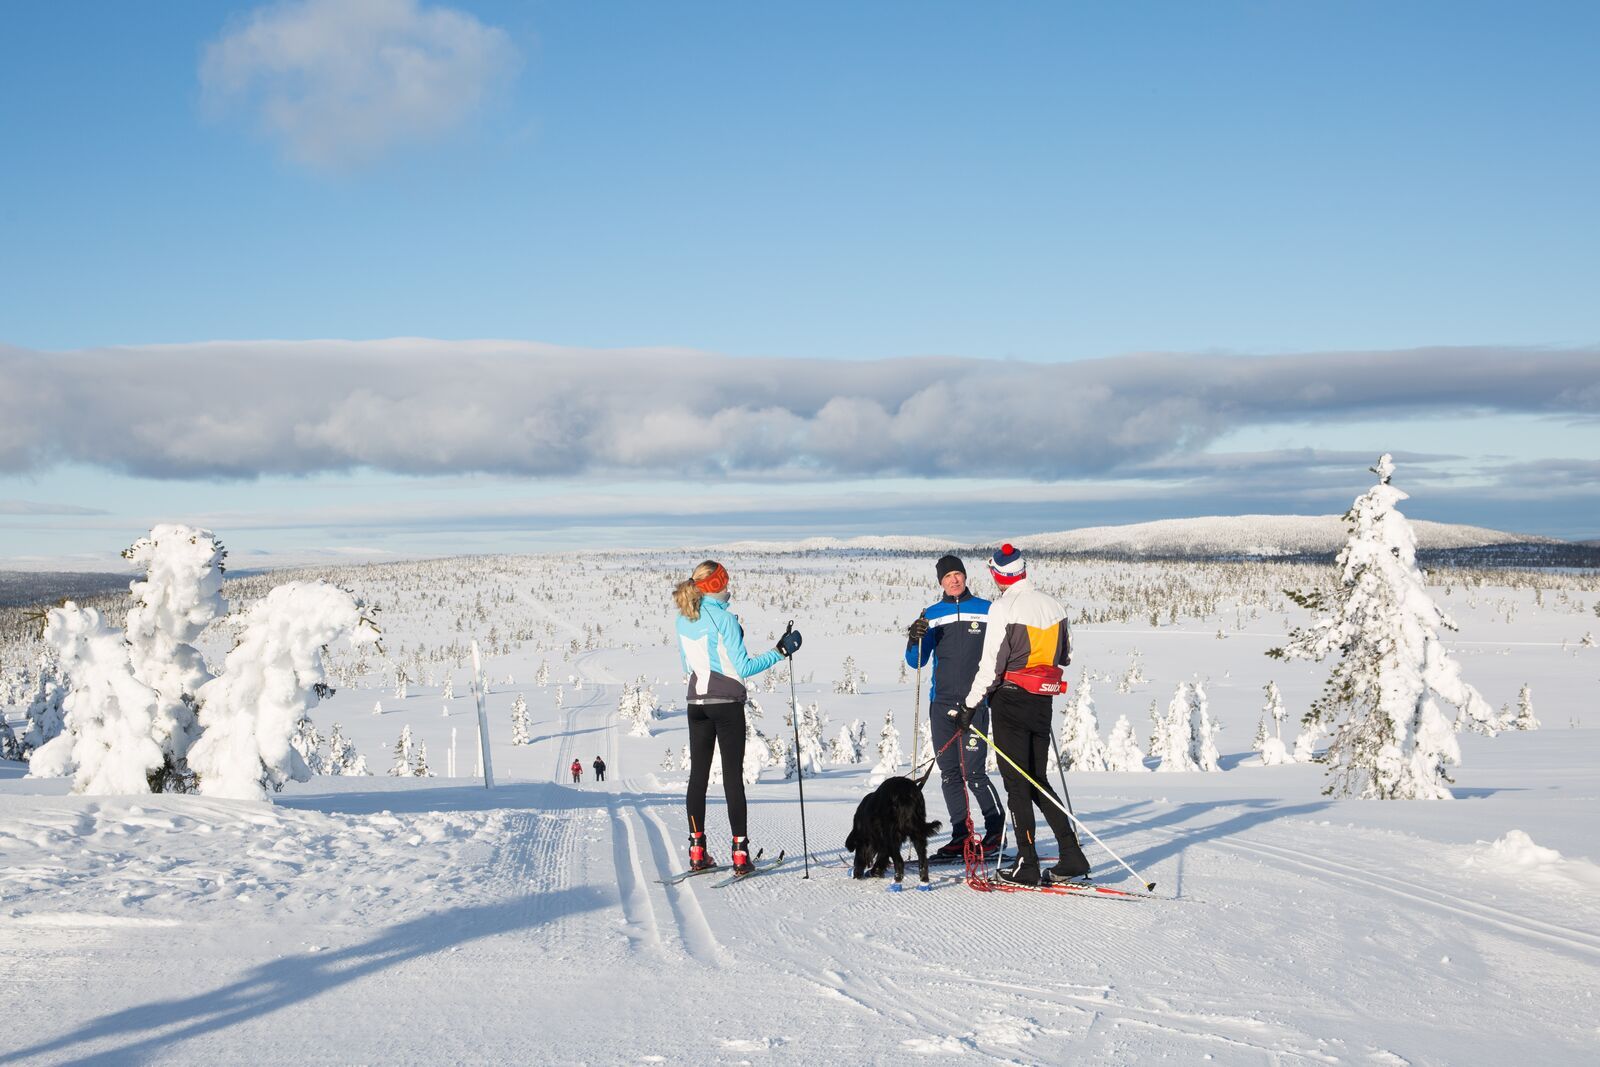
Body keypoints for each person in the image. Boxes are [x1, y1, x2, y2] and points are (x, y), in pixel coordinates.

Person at [955, 544, 1090, 886]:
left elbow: (991, 667)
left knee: (1017, 784)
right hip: (1042, 701)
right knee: (1037, 780)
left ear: (998, 574)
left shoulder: (1004, 607)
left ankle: (1026, 864)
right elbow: (1066, 655)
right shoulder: (1054, 605)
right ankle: (1071, 855)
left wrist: (970, 705)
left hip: (1010, 701)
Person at [674, 559, 802, 875]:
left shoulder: (683, 618)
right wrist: (781, 651)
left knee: (698, 777)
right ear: (714, 585)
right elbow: (743, 668)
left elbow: (686, 667)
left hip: (696, 703)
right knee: (732, 776)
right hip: (726, 703)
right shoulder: (725, 620)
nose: (729, 585)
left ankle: (696, 850)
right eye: (725, 580)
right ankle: (740, 853)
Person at [904, 554, 1006, 860]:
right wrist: (913, 638)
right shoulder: (932, 613)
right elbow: (916, 662)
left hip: (975, 703)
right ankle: (961, 835)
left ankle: (995, 832)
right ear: (940, 582)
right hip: (942, 704)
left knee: (974, 772)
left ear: (965, 576)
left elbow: (1004, 649)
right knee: (949, 773)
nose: (953, 580)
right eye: (947, 577)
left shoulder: (987, 609)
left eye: (957, 574)